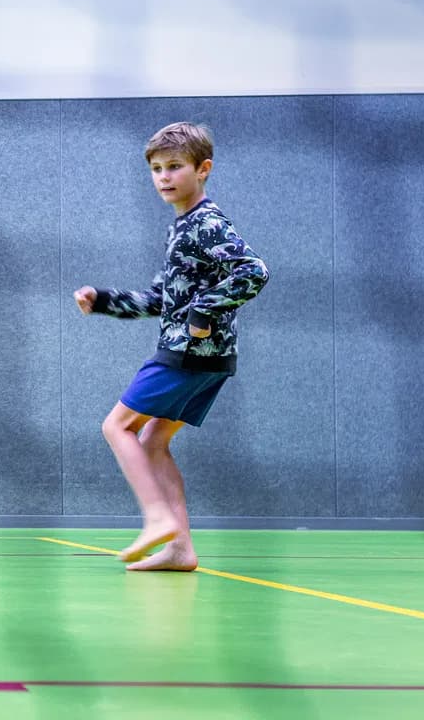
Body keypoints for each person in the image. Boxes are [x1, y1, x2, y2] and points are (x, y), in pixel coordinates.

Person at [74, 122, 268, 571]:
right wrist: (102, 301)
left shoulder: (206, 223)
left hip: (189, 353)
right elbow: (161, 299)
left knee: (116, 427)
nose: (164, 176)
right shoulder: (180, 228)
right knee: (153, 440)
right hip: (209, 358)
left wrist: (204, 313)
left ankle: (157, 517)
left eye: (174, 166)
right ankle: (180, 549)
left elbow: (253, 270)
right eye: (157, 169)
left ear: (203, 169)